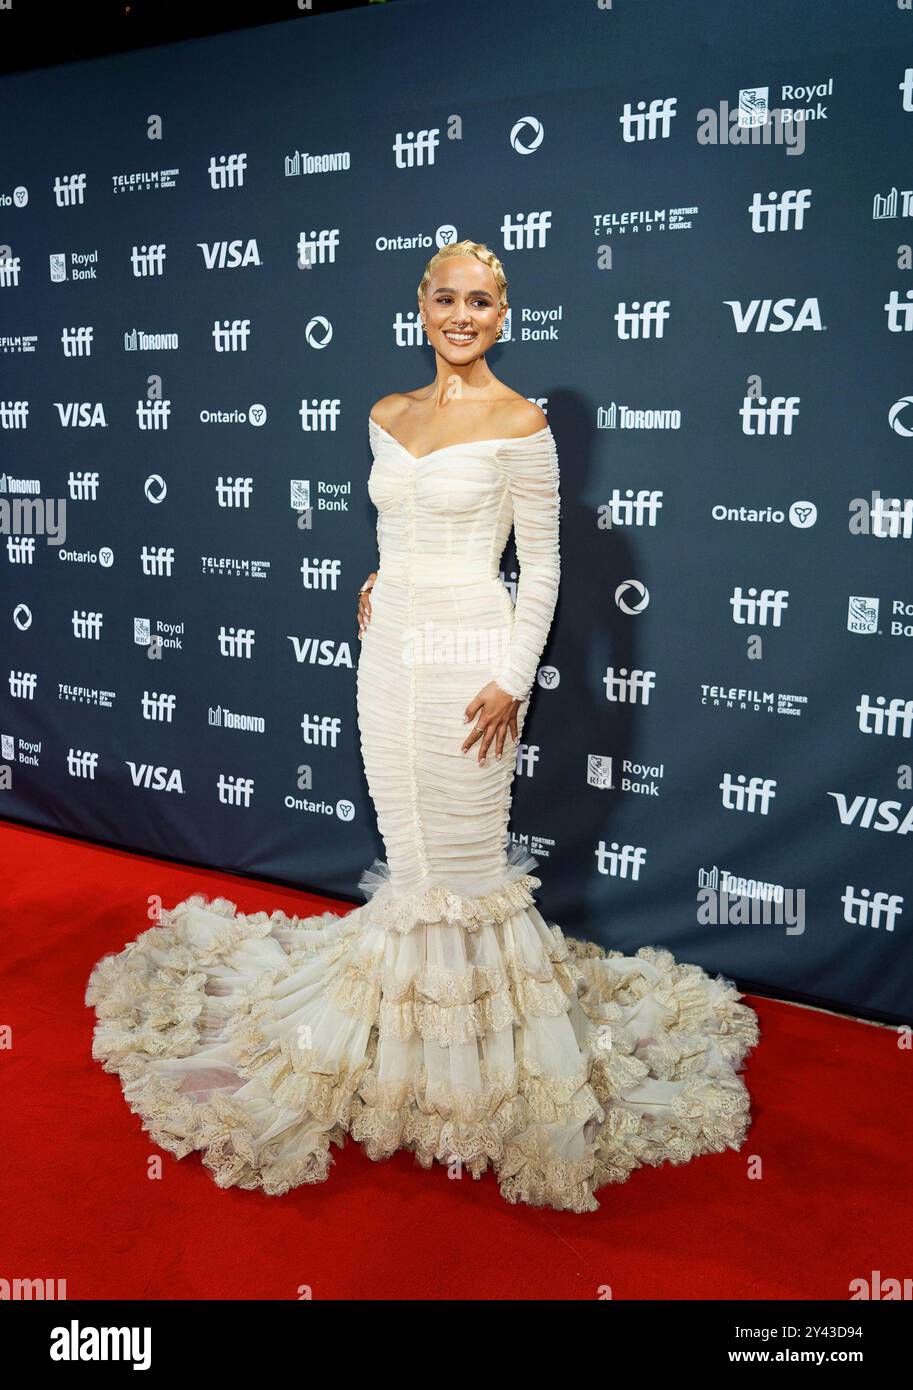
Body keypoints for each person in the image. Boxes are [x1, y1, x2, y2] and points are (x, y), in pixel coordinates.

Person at [85, 240, 759, 1213]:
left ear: (503, 313)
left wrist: (511, 679)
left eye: (479, 301)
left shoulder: (522, 423)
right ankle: (402, 1054)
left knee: (464, 867)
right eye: (444, 298)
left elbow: (547, 570)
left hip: (471, 665)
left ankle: (469, 1072)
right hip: (389, 654)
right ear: (420, 304)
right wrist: (377, 578)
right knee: (408, 859)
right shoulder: (385, 417)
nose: (460, 315)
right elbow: (397, 528)